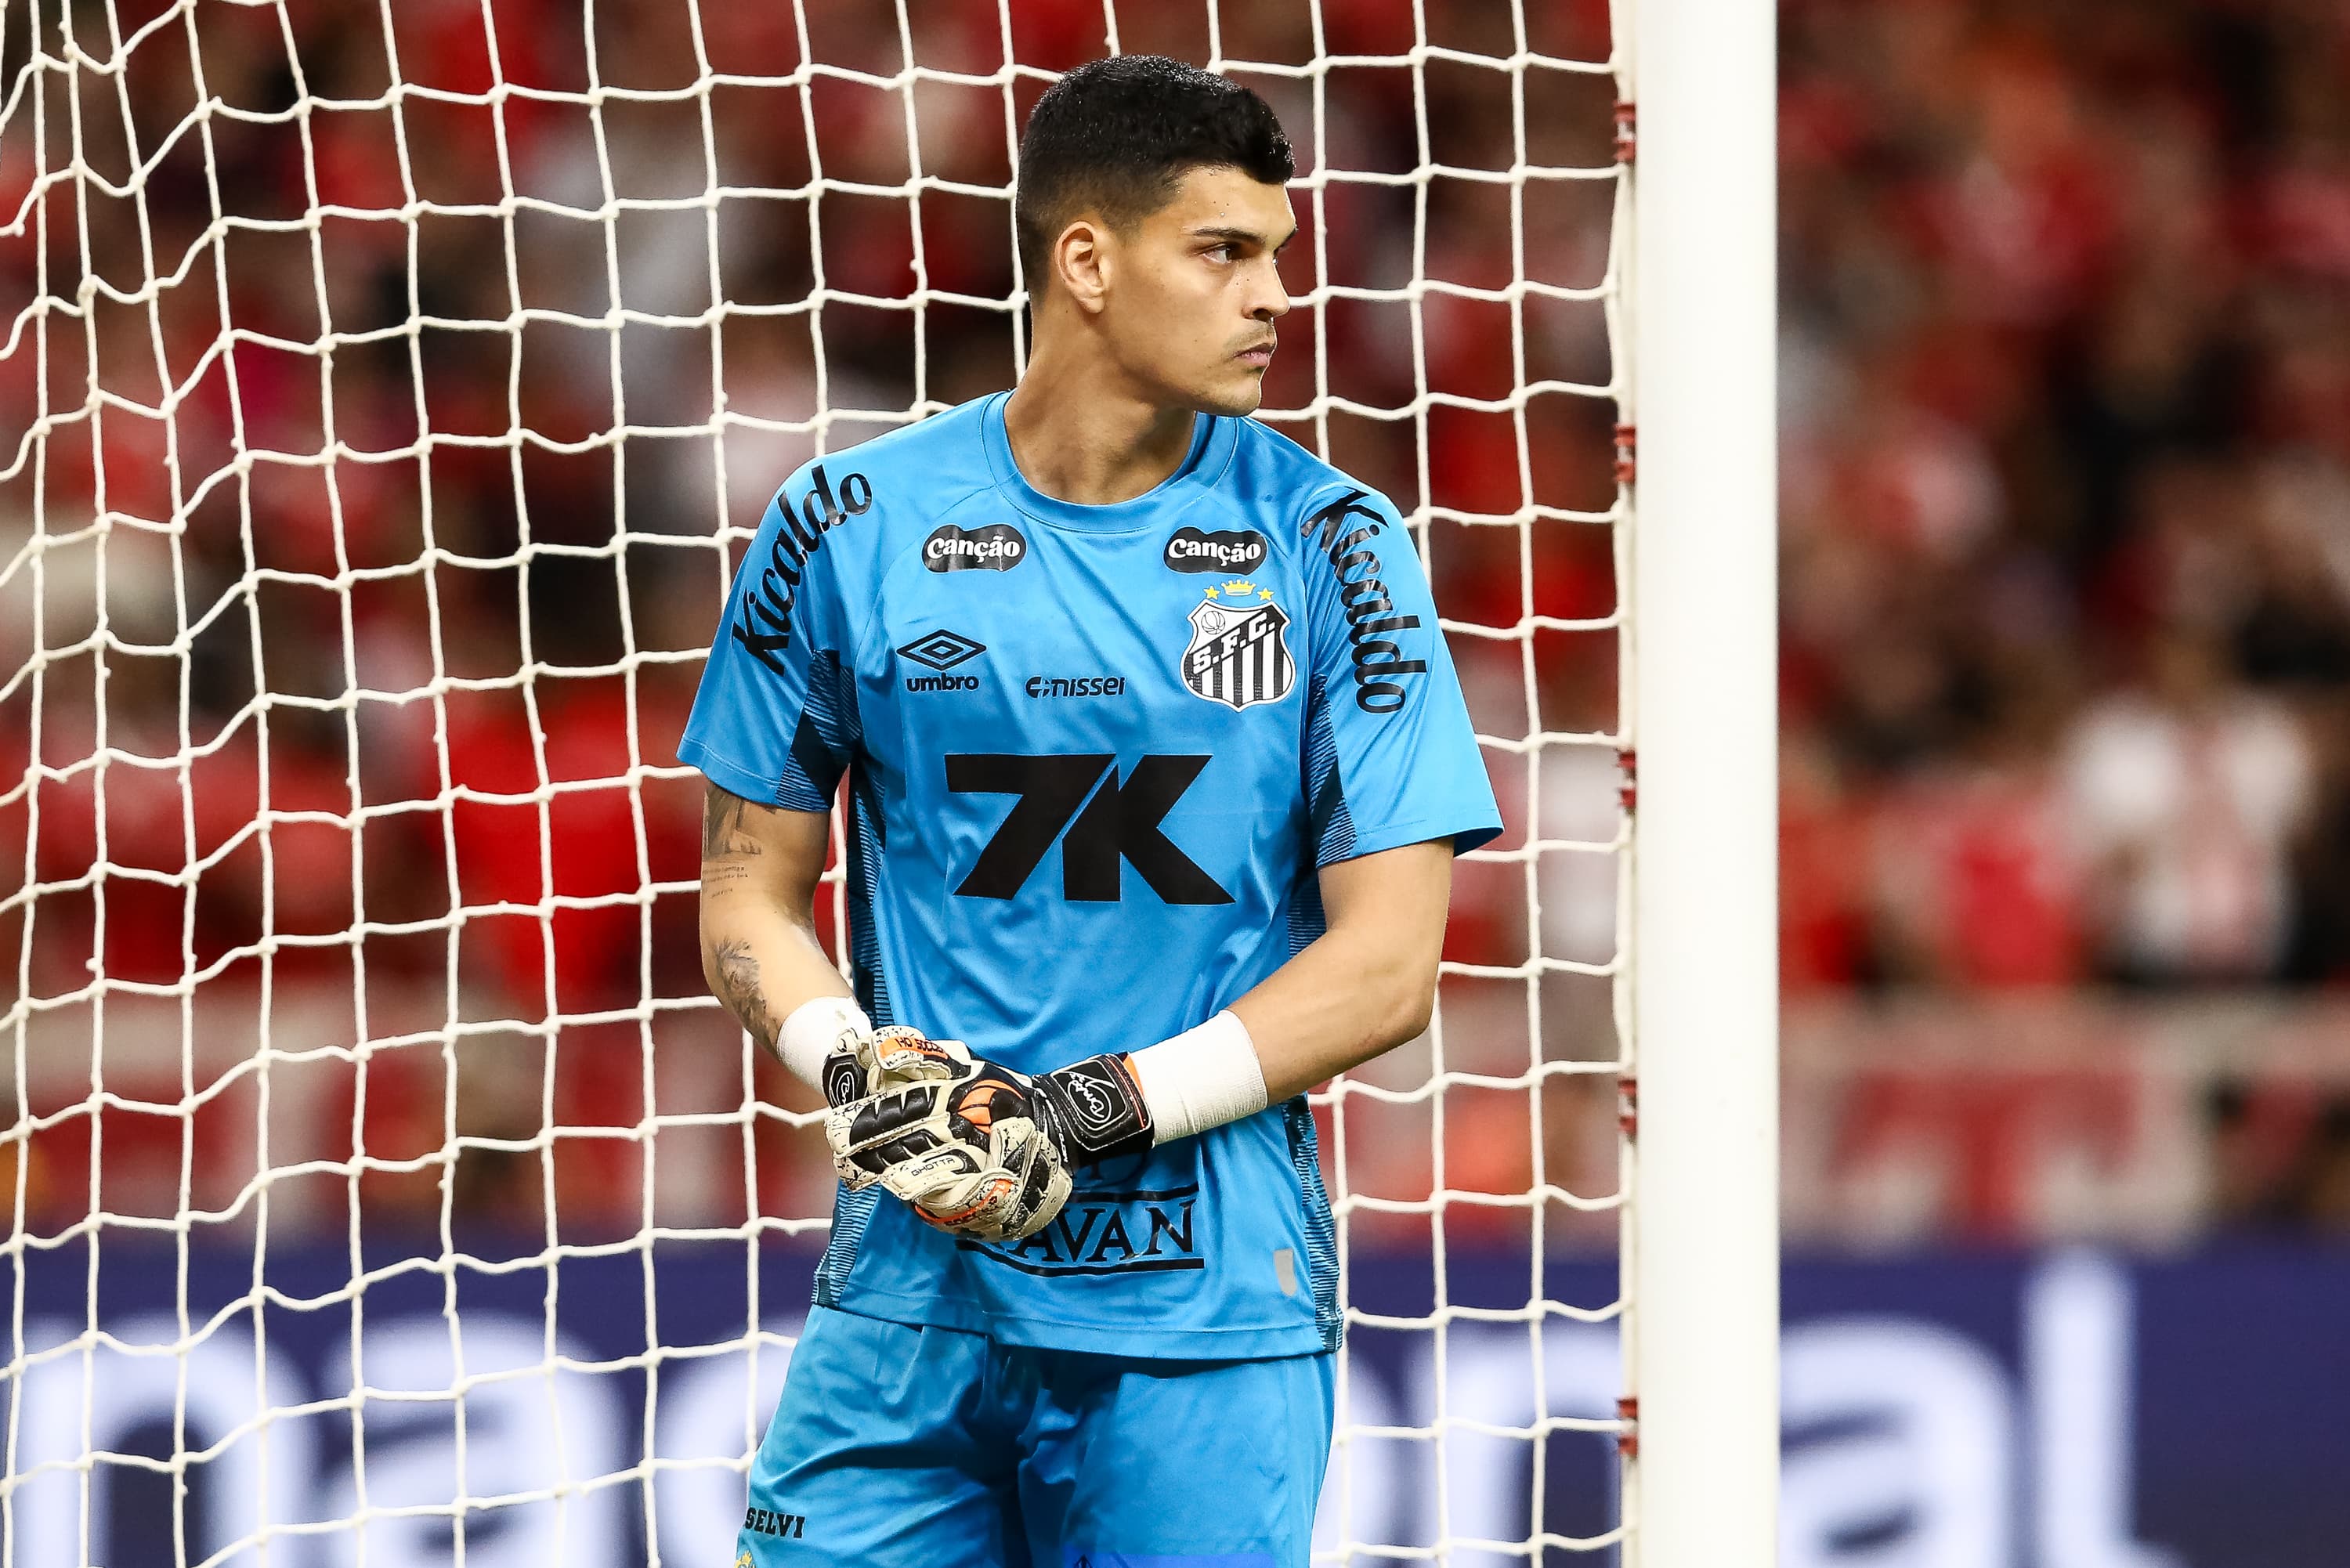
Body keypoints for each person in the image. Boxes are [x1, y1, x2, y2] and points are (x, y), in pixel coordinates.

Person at [682, 55, 1499, 1567]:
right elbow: (745, 894)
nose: (1273, 298)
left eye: (1279, 257)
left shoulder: (1334, 547)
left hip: (1203, 1319)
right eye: (1224, 252)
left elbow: (1390, 967)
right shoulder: (842, 526)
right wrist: (860, 1073)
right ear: (1088, 262)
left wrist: (1084, 1110)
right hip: (912, 1304)